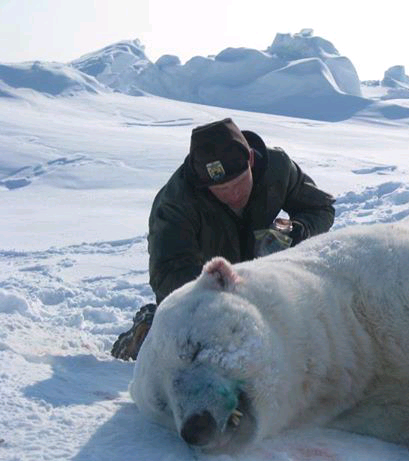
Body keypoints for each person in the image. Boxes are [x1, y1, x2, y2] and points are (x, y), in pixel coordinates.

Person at [111, 118, 335, 360]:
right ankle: (149, 328)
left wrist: (297, 230)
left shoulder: (277, 168)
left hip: (265, 282)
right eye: (221, 189)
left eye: (239, 182)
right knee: (191, 351)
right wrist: (220, 288)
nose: (233, 194)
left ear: (250, 160)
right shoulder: (175, 203)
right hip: (207, 291)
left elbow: (320, 208)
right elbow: (167, 275)